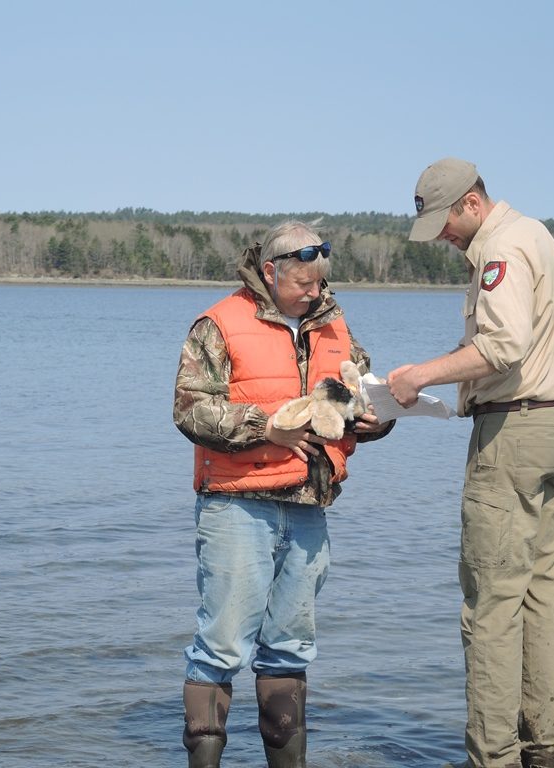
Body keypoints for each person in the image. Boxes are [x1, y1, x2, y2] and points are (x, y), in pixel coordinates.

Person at [387, 159, 554, 768]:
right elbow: (504, 344)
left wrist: (420, 374)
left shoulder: (501, 248)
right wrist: (440, 378)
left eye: (444, 223)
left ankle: (493, 758)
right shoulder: (536, 235)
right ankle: (546, 749)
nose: (443, 238)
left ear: (472, 202)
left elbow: (503, 345)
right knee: (540, 596)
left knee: (491, 606)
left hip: (515, 437)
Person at [173, 220, 393, 768]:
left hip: (309, 509)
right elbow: (189, 410)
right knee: (221, 646)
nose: (315, 293)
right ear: (270, 273)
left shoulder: (334, 325)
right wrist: (266, 428)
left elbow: (362, 397)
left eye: (321, 283)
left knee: (290, 649)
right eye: (304, 284)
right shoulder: (218, 323)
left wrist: (374, 421)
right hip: (236, 504)